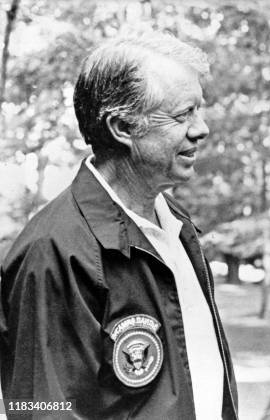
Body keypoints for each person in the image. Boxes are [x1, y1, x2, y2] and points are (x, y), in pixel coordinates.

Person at [0, 32, 238, 419]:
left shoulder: (175, 223)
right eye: (183, 115)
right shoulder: (53, 250)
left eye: (200, 110)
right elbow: (40, 406)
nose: (202, 128)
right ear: (122, 127)